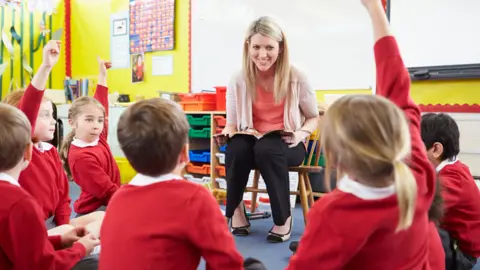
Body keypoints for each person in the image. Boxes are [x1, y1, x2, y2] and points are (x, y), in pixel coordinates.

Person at [286, 0, 437, 268]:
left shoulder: (333, 215)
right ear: (398, 135)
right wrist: (376, 9)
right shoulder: (418, 176)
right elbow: (396, 83)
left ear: (334, 157)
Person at [99, 98, 249, 269]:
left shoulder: (118, 199)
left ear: (128, 157)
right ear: (185, 153)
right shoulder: (195, 197)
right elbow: (226, 264)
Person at [222, 16, 319, 243]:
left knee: (268, 148)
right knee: (236, 148)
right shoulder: (238, 79)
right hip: (252, 140)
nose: (262, 54)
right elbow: (232, 122)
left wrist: (299, 134)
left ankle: (283, 218)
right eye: (256, 47)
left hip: (288, 143)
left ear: (281, 48)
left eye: (269, 48)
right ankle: (237, 212)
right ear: (248, 46)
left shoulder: (297, 77)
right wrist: (227, 132)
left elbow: (313, 117)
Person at [2, 41, 104, 238]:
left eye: (52, 114)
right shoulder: (21, 152)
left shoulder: (49, 152)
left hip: (54, 225)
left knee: (102, 217)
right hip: (33, 230)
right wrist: (46, 67)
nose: (53, 121)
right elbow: (28, 108)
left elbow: (63, 198)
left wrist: (66, 231)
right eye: (45, 115)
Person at [0, 102, 99, 269]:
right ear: (28, 152)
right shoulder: (20, 203)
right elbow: (42, 265)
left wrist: (60, 240)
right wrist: (80, 249)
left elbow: (22, 247)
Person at [60, 57, 121, 217]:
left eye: (100, 120)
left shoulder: (97, 137)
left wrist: (103, 76)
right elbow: (107, 190)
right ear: (73, 123)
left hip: (108, 201)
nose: (96, 125)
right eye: (89, 119)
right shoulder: (81, 157)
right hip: (95, 210)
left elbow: (101, 103)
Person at [421, 112, 480, 269]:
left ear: (435, 149)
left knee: (419, 229)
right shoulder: (454, 169)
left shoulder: (452, 181)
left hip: (464, 255)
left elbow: (420, 207)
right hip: (454, 240)